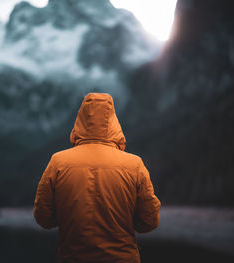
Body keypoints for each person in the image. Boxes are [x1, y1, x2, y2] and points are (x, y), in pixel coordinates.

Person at [34, 92, 161, 263]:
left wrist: (70, 216)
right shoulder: (134, 165)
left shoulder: (58, 162)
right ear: (113, 121)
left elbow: (44, 218)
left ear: (81, 120)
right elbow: (149, 222)